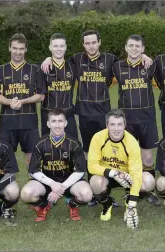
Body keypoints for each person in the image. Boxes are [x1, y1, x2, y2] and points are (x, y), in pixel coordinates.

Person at [41, 30, 152, 206]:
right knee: (88, 153)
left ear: (99, 42)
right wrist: (48, 59)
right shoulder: (76, 60)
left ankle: (125, 188)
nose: (91, 46)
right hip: (84, 114)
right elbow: (58, 60)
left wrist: (143, 54)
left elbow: (131, 60)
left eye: (94, 42)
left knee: (110, 152)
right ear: (83, 45)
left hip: (104, 114)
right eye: (87, 43)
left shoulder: (110, 60)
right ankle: (95, 194)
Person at [112, 34, 160, 206]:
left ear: (142, 49)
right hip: (127, 122)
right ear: (126, 48)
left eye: (137, 46)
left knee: (147, 158)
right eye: (131, 46)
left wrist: (148, 58)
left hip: (147, 118)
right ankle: (129, 191)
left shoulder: (149, 65)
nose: (134, 49)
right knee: (128, 158)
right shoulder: (117, 66)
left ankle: (150, 190)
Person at [20, 109, 93, 222]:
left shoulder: (74, 143)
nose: (57, 125)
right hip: (47, 183)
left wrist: (61, 187)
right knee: (26, 194)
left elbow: (80, 171)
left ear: (66, 123)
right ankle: (43, 205)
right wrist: (52, 184)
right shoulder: (40, 143)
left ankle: (73, 205)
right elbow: (33, 170)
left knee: (87, 194)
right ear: (48, 124)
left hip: (69, 182)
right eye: (54, 121)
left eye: (60, 121)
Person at [88, 109, 155, 229]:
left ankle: (129, 198)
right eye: (112, 124)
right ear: (106, 125)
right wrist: (113, 172)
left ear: (125, 125)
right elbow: (91, 165)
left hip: (127, 178)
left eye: (120, 124)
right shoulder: (98, 138)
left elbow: (135, 173)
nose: (116, 128)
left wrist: (132, 205)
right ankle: (107, 204)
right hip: (108, 175)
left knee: (148, 181)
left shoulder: (132, 142)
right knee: (95, 182)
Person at [0, 33, 45, 169]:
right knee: (3, 159)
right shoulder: (1, 70)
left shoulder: (35, 70)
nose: (18, 52)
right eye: (15, 48)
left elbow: (40, 95)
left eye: (21, 48)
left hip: (29, 122)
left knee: (32, 160)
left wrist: (23, 101)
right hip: (8, 123)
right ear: (9, 48)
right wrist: (10, 102)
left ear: (26, 49)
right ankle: (5, 188)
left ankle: (32, 187)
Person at [36, 33, 78, 138]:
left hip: (68, 115)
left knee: (72, 148)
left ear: (66, 47)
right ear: (50, 47)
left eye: (61, 46)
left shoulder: (73, 67)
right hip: (48, 115)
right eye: (55, 46)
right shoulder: (43, 68)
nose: (58, 49)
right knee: (48, 149)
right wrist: (48, 58)